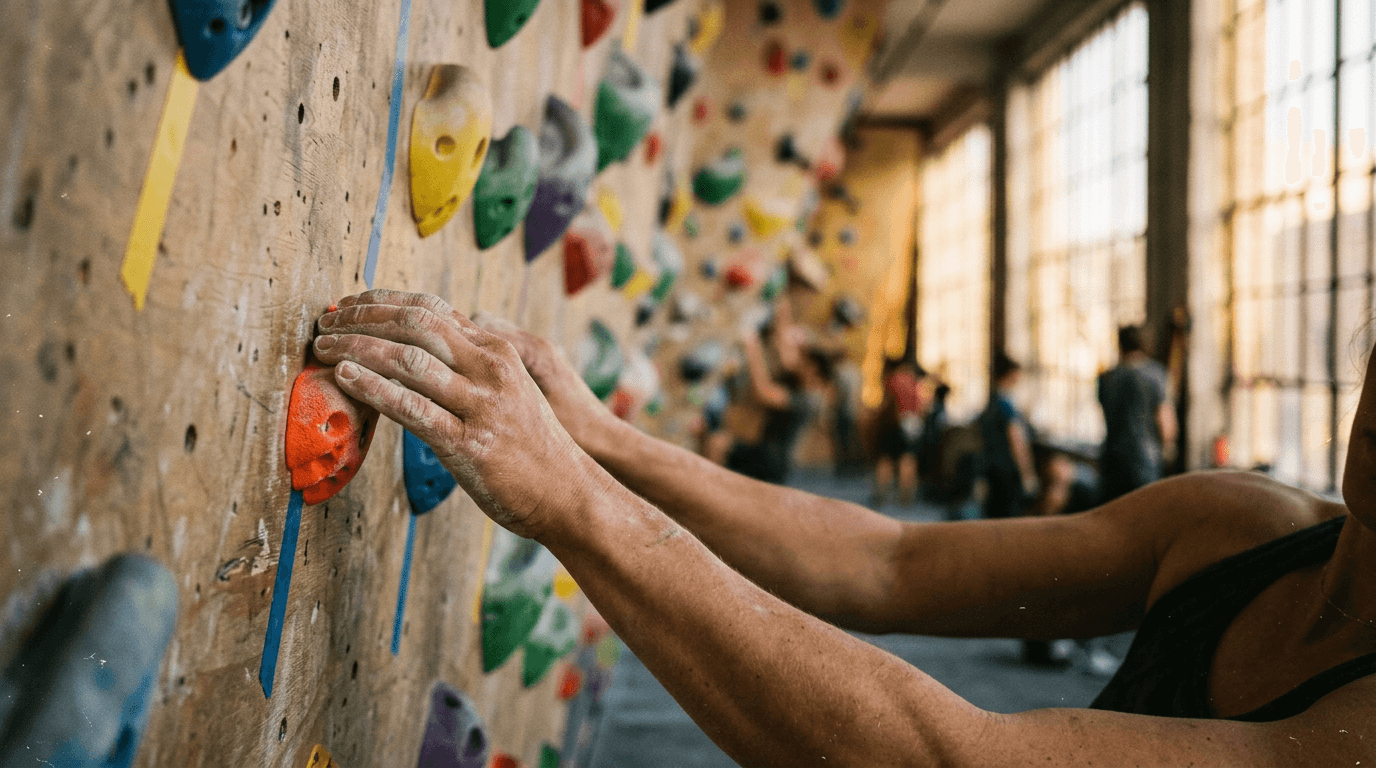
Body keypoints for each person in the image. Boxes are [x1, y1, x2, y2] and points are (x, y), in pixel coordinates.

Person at [311, 289, 1376, 766]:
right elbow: (888, 559)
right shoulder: (1238, 524)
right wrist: (603, 442)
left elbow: (946, 762)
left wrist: (573, 503)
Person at [1098, 324, 1176, 503]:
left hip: (1111, 460)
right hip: (1144, 463)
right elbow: (1165, 420)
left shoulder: (1106, 378)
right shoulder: (1155, 375)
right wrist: (1168, 449)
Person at [977, 352, 1038, 519]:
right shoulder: (1006, 406)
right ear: (1010, 375)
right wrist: (1027, 474)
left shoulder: (991, 403)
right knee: (1009, 518)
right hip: (1007, 470)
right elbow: (1017, 442)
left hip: (990, 467)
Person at [870, 359, 926, 507]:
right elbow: (920, 405)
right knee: (907, 458)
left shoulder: (893, 380)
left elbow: (887, 403)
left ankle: (881, 493)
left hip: (894, 424)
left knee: (886, 459)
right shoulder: (913, 381)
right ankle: (906, 494)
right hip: (912, 425)